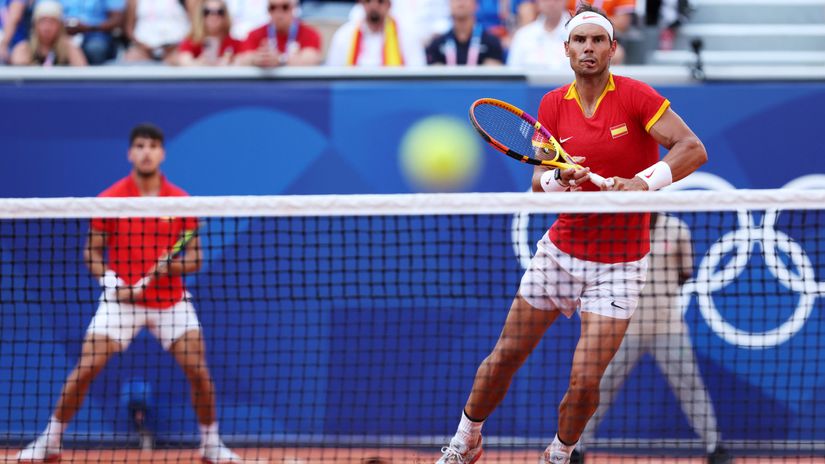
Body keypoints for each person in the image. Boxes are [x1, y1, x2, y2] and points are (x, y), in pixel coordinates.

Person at [435, 4, 708, 464]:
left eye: (597, 40)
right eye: (580, 40)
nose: (588, 48)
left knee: (584, 381)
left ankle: (559, 455)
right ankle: (466, 440)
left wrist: (643, 181)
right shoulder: (551, 105)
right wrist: (561, 179)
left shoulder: (638, 97)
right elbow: (540, 184)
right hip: (560, 254)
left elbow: (692, 147)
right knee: (504, 357)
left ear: (612, 48)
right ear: (566, 49)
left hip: (620, 265)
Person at [16, 123, 241, 464]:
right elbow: (91, 251)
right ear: (130, 153)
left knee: (198, 371)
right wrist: (111, 282)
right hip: (121, 301)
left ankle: (211, 445)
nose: (146, 151)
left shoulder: (180, 201)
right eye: (140, 145)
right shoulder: (111, 199)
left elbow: (195, 256)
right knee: (87, 367)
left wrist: (173, 268)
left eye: (153, 146)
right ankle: (50, 441)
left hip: (170, 302)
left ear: (162, 153)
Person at [578, 212, 731, 464]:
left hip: (668, 326)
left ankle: (715, 448)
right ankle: (577, 446)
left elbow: (685, 272)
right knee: (600, 386)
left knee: (691, 387)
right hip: (625, 327)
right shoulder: (621, 228)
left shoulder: (678, 229)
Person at [326, 0, 425, 67]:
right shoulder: (344, 35)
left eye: (380, 1)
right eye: (368, 1)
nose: (374, 6)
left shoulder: (407, 35)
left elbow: (417, 75)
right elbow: (333, 74)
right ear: (361, 3)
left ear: (389, 4)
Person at [233, 0, 322, 67]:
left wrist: (281, 59)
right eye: (272, 7)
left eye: (285, 7)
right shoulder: (255, 34)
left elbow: (312, 59)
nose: (278, 13)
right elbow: (240, 60)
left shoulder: (309, 33)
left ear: (294, 8)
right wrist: (256, 59)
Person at [426, 0, 504, 66]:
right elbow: (433, 79)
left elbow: (495, 78)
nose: (461, 2)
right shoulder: (437, 45)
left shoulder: (492, 43)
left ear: (476, 5)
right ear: (449, 4)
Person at [10, 0, 87, 66]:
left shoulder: (68, 48)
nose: (47, 27)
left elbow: (83, 74)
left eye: (52, 22)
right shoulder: (24, 49)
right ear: (35, 25)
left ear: (60, 26)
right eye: (43, 21)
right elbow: (18, 79)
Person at [507, 0, 569, 69]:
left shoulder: (577, 32)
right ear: (537, 2)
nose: (551, 3)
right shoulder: (523, 35)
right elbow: (513, 72)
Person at [124, 0, 191, 64]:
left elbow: (194, 25)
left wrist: (177, 45)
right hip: (143, 49)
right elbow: (129, 29)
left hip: (176, 48)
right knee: (130, 58)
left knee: (183, 59)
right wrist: (141, 45)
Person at [61, 0, 126, 64]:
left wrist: (89, 28)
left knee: (95, 50)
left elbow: (117, 19)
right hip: (62, 35)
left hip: (96, 37)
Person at [178, 0, 240, 66]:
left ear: (226, 16)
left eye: (219, 12)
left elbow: (245, 60)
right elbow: (184, 62)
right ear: (201, 16)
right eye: (207, 12)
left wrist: (230, 63)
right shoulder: (191, 42)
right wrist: (199, 63)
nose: (213, 16)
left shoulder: (235, 44)